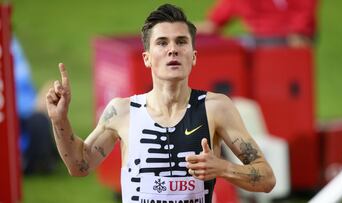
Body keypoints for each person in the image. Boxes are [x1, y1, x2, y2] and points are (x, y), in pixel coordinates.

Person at [46, 4, 275, 202]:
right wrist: (59, 120)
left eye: (181, 42)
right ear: (147, 58)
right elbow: (79, 166)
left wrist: (224, 168)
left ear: (193, 56)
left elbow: (267, 178)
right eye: (162, 43)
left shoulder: (216, 108)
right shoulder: (121, 112)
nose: (172, 49)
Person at [12, 36, 57, 174]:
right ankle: (34, 159)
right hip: (12, 115)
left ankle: (46, 156)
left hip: (30, 110)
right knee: (37, 120)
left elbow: (23, 81)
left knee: (53, 87)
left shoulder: (12, 44)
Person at [197, 0, 317, 48]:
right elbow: (213, 24)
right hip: (260, 43)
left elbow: (303, 20)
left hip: (292, 41)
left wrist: (299, 34)